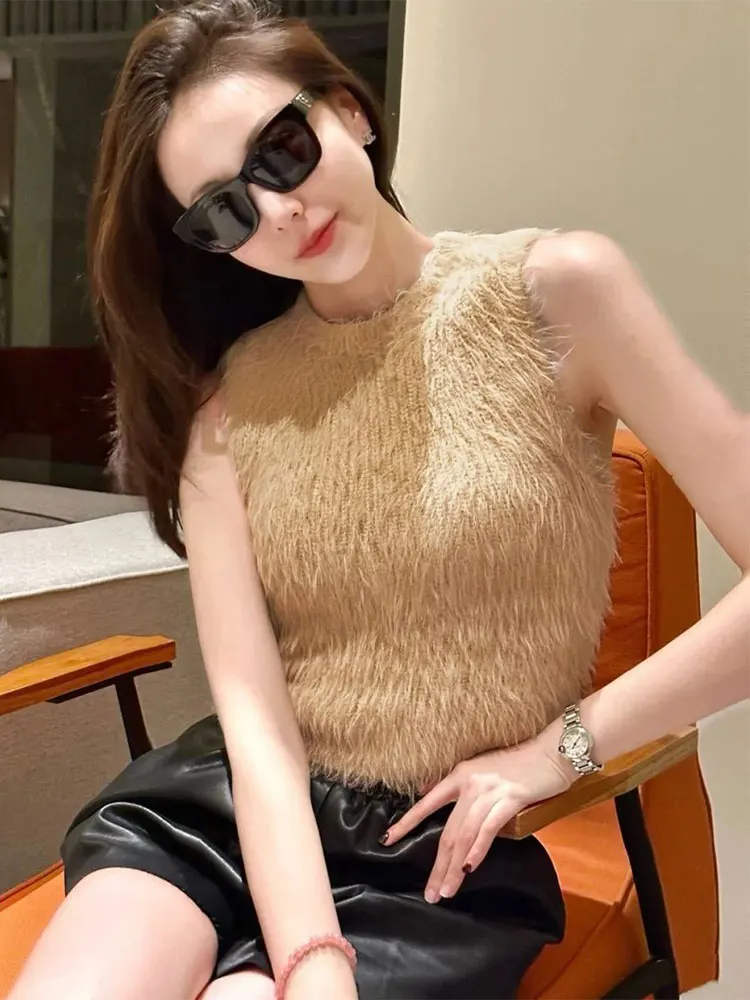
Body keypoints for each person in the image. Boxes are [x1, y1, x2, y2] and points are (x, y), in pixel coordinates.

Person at [9, 1, 749, 999]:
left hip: (432, 856)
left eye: (279, 150)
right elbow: (256, 723)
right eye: (224, 211)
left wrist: (559, 750)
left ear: (349, 111)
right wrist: (311, 954)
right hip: (227, 814)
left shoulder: (555, 292)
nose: (276, 210)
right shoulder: (227, 407)